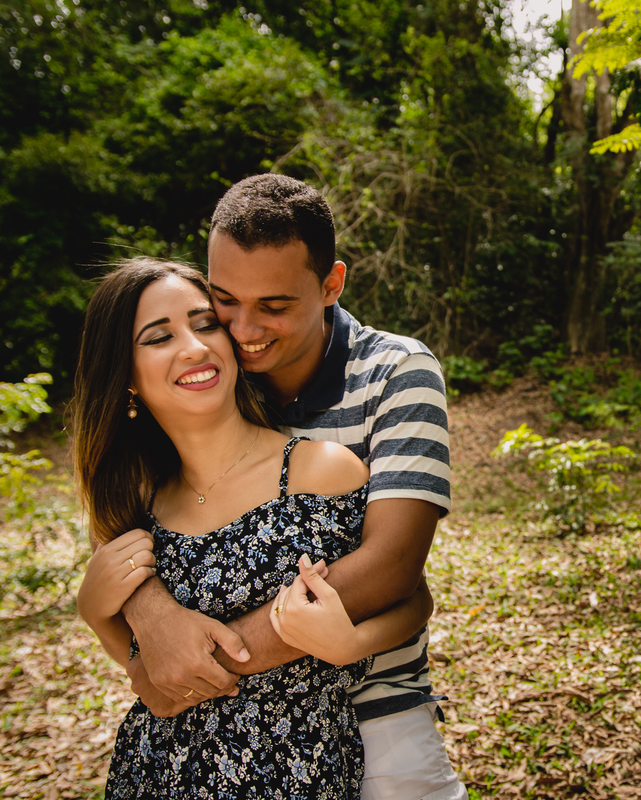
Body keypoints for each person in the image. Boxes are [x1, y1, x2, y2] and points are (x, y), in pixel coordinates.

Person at [100, 174, 465, 800]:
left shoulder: (395, 373)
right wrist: (151, 613)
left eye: (274, 306)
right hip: (210, 731)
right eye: (225, 300)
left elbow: (391, 569)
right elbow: (129, 519)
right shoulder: (212, 371)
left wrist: (194, 668)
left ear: (330, 285)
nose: (244, 329)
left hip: (374, 702)